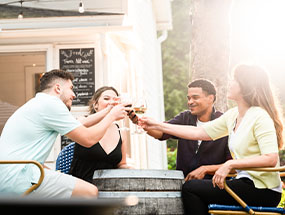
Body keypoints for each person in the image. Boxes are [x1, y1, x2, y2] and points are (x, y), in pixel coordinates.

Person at [140, 64, 283, 214]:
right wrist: (158, 125)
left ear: (246, 86)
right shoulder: (233, 115)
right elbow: (199, 132)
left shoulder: (260, 116)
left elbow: (270, 158)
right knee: (193, 188)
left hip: (263, 190)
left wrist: (230, 164)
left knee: (191, 188)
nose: (229, 83)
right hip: (243, 183)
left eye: (234, 79)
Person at [0, 69, 127, 198]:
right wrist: (112, 116)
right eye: (71, 88)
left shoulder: (38, 103)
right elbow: (88, 139)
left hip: (9, 175)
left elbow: (81, 123)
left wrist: (108, 111)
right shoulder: (52, 104)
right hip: (18, 178)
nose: (74, 95)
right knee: (89, 192)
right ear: (58, 89)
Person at [145, 79, 231, 179]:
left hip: (214, 185)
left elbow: (232, 165)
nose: (190, 102)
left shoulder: (224, 122)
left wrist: (205, 169)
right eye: (189, 98)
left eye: (195, 98)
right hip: (184, 183)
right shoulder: (185, 117)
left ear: (210, 98)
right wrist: (141, 123)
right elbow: (161, 133)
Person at [69, 86, 132, 183]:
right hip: (81, 187)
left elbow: (121, 164)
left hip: (109, 189)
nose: (111, 102)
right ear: (95, 105)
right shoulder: (83, 121)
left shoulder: (120, 131)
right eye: (106, 99)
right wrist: (109, 111)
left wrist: (133, 171)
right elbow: (78, 125)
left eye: (115, 99)